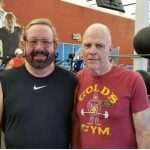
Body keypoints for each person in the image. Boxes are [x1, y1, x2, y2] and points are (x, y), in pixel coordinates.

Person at [0, 18, 78, 148]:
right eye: (33, 41)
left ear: (55, 45)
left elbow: (76, 126)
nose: (39, 47)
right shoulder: (5, 80)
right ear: (23, 44)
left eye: (46, 42)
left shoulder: (71, 82)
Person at [73, 23, 150, 149]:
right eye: (87, 45)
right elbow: (76, 123)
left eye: (99, 46)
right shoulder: (78, 78)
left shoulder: (133, 80)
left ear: (109, 49)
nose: (92, 51)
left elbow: (144, 133)